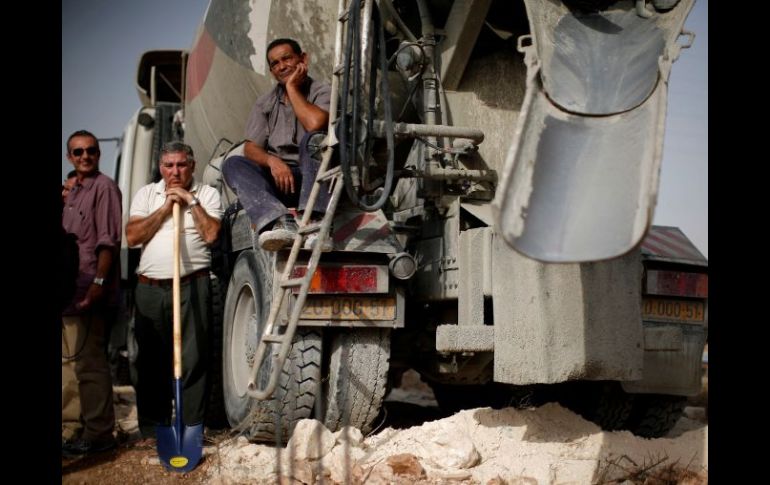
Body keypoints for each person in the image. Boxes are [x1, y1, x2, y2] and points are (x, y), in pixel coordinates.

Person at [125, 141, 222, 440]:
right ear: (161, 167)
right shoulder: (147, 194)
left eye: (181, 165)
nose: (175, 172)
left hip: (192, 284)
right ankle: (154, 430)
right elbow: (132, 236)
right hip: (150, 288)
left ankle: (191, 429)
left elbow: (211, 234)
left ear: (192, 166)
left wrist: (190, 201)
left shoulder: (207, 194)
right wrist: (166, 208)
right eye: (169, 165)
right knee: (149, 360)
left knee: (193, 360)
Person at [222, 38, 332, 251]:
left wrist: (292, 88)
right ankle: (279, 221)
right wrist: (272, 161)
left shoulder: (322, 91)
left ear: (303, 59)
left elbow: (315, 124)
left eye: (287, 59)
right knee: (233, 163)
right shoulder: (265, 103)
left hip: (317, 180)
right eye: (275, 64)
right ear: (272, 71)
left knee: (313, 140)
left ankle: (315, 223)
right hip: (282, 180)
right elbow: (251, 147)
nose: (282, 66)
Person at [61, 130, 122, 456]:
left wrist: (98, 284)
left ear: (99, 154)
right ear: (69, 157)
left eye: (91, 151)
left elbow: (107, 241)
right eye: (78, 152)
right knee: (69, 367)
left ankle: (99, 434)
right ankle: (73, 431)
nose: (85, 156)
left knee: (90, 365)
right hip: (68, 294)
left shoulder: (104, 188)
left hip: (89, 292)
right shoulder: (73, 193)